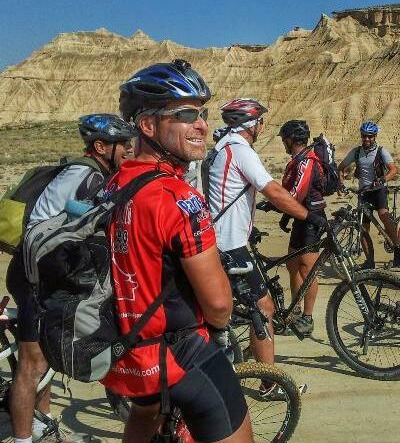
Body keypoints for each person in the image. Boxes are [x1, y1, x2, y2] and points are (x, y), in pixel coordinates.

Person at [106, 59, 252, 443]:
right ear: (147, 125)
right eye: (186, 115)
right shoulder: (178, 198)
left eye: (202, 113)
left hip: (128, 352)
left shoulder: (112, 185)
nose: (201, 124)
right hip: (180, 354)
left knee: (144, 416)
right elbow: (218, 306)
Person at [7, 114, 136, 443]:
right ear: (101, 147)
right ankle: (22, 438)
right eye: (123, 144)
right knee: (31, 363)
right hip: (35, 272)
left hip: (51, 269)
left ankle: (43, 422)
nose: (129, 149)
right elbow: (51, 225)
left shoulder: (95, 174)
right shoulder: (85, 175)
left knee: (50, 352)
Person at [207, 100, 326, 380]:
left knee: (242, 306)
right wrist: (308, 216)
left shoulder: (222, 147)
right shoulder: (240, 150)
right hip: (229, 245)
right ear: (250, 124)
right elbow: (273, 191)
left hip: (223, 239)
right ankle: (269, 383)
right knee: (263, 308)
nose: (262, 127)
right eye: (260, 122)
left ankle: (240, 354)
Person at [277, 120, 327, 336]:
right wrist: (285, 215)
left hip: (312, 219)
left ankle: (307, 318)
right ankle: (294, 312)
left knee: (307, 269)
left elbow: (297, 194)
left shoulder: (307, 160)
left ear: (291, 139)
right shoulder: (297, 161)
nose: (283, 143)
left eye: (284, 139)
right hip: (300, 217)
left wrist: (275, 204)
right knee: (292, 265)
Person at [337, 121, 400, 268]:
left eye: (370, 136)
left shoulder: (381, 151)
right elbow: (340, 167)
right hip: (364, 192)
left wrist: (383, 179)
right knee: (363, 227)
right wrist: (340, 183)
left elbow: (393, 170)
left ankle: (399, 251)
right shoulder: (356, 152)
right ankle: (369, 261)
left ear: (375, 136)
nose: (366, 139)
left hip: (379, 190)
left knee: (384, 216)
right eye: (364, 136)